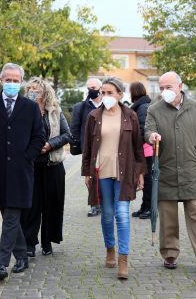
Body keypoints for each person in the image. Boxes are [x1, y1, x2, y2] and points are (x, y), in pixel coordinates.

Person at [145, 71, 196, 271]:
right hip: (166, 171)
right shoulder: (154, 110)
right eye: (162, 88)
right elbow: (148, 130)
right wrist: (152, 136)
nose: (165, 91)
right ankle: (169, 254)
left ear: (180, 86)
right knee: (168, 218)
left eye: (169, 87)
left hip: (192, 172)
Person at [82, 76, 146, 279]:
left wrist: (141, 173)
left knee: (122, 214)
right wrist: (86, 173)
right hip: (101, 172)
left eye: (110, 93)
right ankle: (110, 248)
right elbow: (88, 148)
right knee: (108, 214)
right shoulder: (94, 116)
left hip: (124, 173)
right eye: (103, 92)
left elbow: (138, 147)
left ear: (120, 94)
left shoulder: (130, 116)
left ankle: (123, 259)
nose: (106, 96)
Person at [0, 63, 45, 280]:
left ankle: (1, 264)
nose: (11, 84)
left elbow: (39, 136)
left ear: (21, 82)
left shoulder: (29, 107)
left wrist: (27, 156)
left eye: (15, 80)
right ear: (1, 80)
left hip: (21, 172)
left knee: (11, 219)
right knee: (9, 218)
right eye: (8, 80)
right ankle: (22, 255)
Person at [20, 77, 72, 257]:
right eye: (30, 89)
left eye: (36, 89)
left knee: (52, 205)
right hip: (31, 165)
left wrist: (50, 145)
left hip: (52, 164)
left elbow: (67, 134)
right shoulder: (23, 110)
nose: (32, 92)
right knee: (31, 206)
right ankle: (29, 243)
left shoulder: (55, 111)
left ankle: (47, 241)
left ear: (44, 92)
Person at [71, 78, 103, 217]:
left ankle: (105, 203)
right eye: (89, 88)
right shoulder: (81, 107)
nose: (92, 90)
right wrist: (80, 143)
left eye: (94, 87)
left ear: (100, 88)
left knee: (105, 176)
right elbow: (75, 127)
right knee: (90, 177)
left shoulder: (108, 105)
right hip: (89, 147)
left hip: (107, 146)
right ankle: (94, 204)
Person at [130, 82, 153, 220]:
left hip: (146, 149)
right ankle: (144, 207)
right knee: (145, 179)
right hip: (144, 149)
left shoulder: (142, 107)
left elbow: (142, 129)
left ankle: (149, 208)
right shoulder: (142, 106)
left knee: (148, 179)